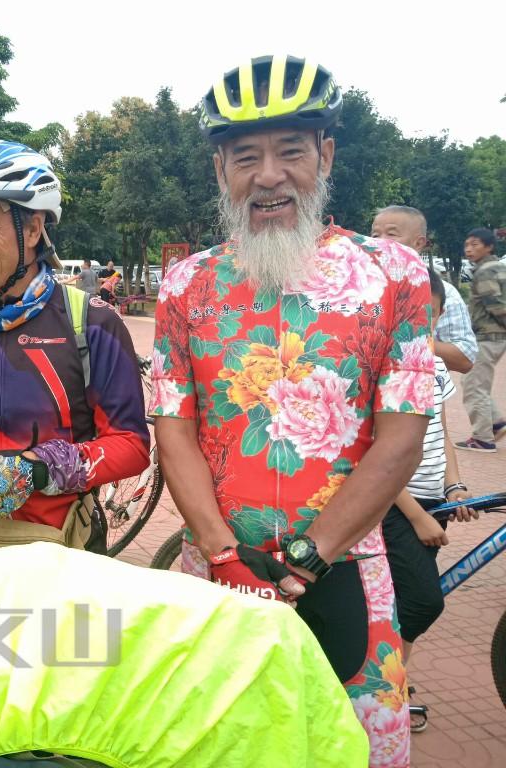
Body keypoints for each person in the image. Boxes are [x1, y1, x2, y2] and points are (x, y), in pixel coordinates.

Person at [152, 55, 433, 767]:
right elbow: (173, 430)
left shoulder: (393, 274)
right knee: (213, 751)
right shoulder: (185, 285)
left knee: (354, 751)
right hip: (218, 575)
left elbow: (400, 437)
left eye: (291, 152)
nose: (268, 174)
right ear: (222, 170)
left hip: (345, 572)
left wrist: (309, 560)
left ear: (326, 156)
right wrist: (222, 553)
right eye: (246, 156)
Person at [0, 139, 149, 564]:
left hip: (64, 550)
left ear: (33, 229)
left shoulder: (92, 324)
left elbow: (131, 445)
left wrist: (40, 468)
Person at [380, 268, 475, 726]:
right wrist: (417, 516)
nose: (422, 327)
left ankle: (395, 681)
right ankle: (376, 684)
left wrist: (453, 486)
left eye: (430, 317)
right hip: (397, 504)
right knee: (422, 602)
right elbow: (374, 457)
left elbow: (443, 435)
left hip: (431, 498)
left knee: (404, 604)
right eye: (413, 316)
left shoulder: (435, 366)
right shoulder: (388, 364)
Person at [371, 205, 476, 374]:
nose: (380, 241)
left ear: (418, 243)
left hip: (415, 392)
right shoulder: (357, 289)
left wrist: (408, 339)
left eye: (391, 234)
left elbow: (464, 358)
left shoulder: (440, 292)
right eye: (375, 235)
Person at [457, 227, 506, 452]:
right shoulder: (497, 267)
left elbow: (495, 305)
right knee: (473, 382)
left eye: (475, 244)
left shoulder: (486, 271)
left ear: (489, 247)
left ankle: (482, 438)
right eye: (467, 245)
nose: (469, 249)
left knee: (474, 386)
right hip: (494, 337)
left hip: (487, 336)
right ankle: (496, 423)